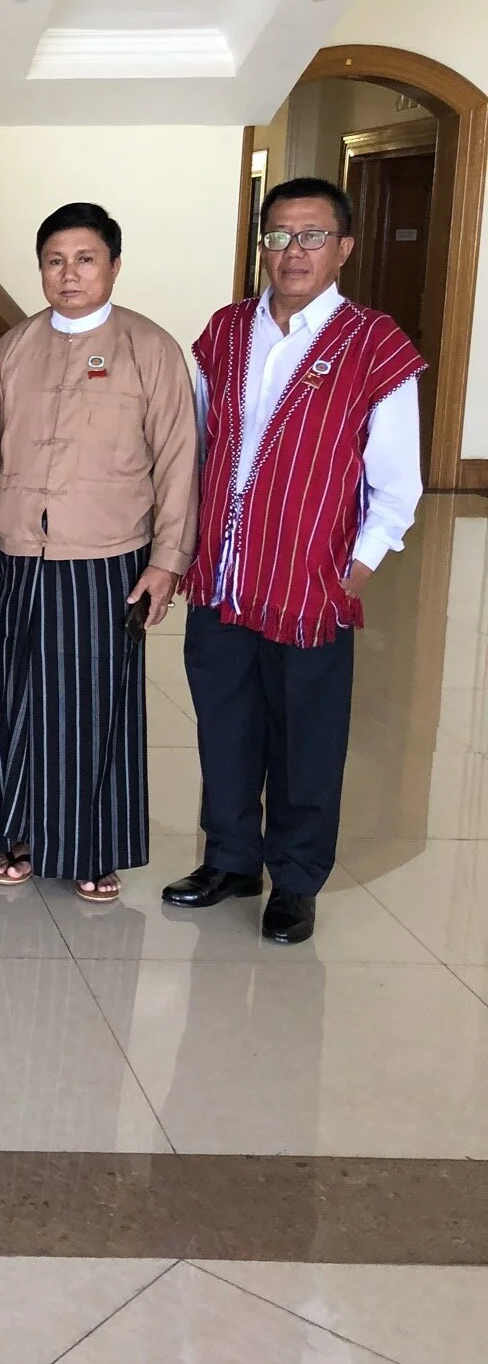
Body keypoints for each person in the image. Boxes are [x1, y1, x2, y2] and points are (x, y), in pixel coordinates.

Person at [167, 177, 424, 943]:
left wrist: (357, 570)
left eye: (312, 236)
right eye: (278, 236)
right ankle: (232, 859)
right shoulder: (227, 330)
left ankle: (297, 879)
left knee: (307, 737)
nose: (293, 252)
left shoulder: (375, 345)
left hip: (311, 583)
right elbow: (205, 444)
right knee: (224, 724)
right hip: (225, 574)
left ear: (344, 247)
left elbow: (398, 483)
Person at [0, 203, 198, 901]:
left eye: (84, 259)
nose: (68, 274)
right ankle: (19, 830)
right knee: (14, 698)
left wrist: (168, 559)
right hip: (19, 549)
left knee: (96, 705)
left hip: (107, 555)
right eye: (54, 260)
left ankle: (91, 846)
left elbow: (178, 459)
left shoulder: (149, 347)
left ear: (114, 266)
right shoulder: (14, 344)